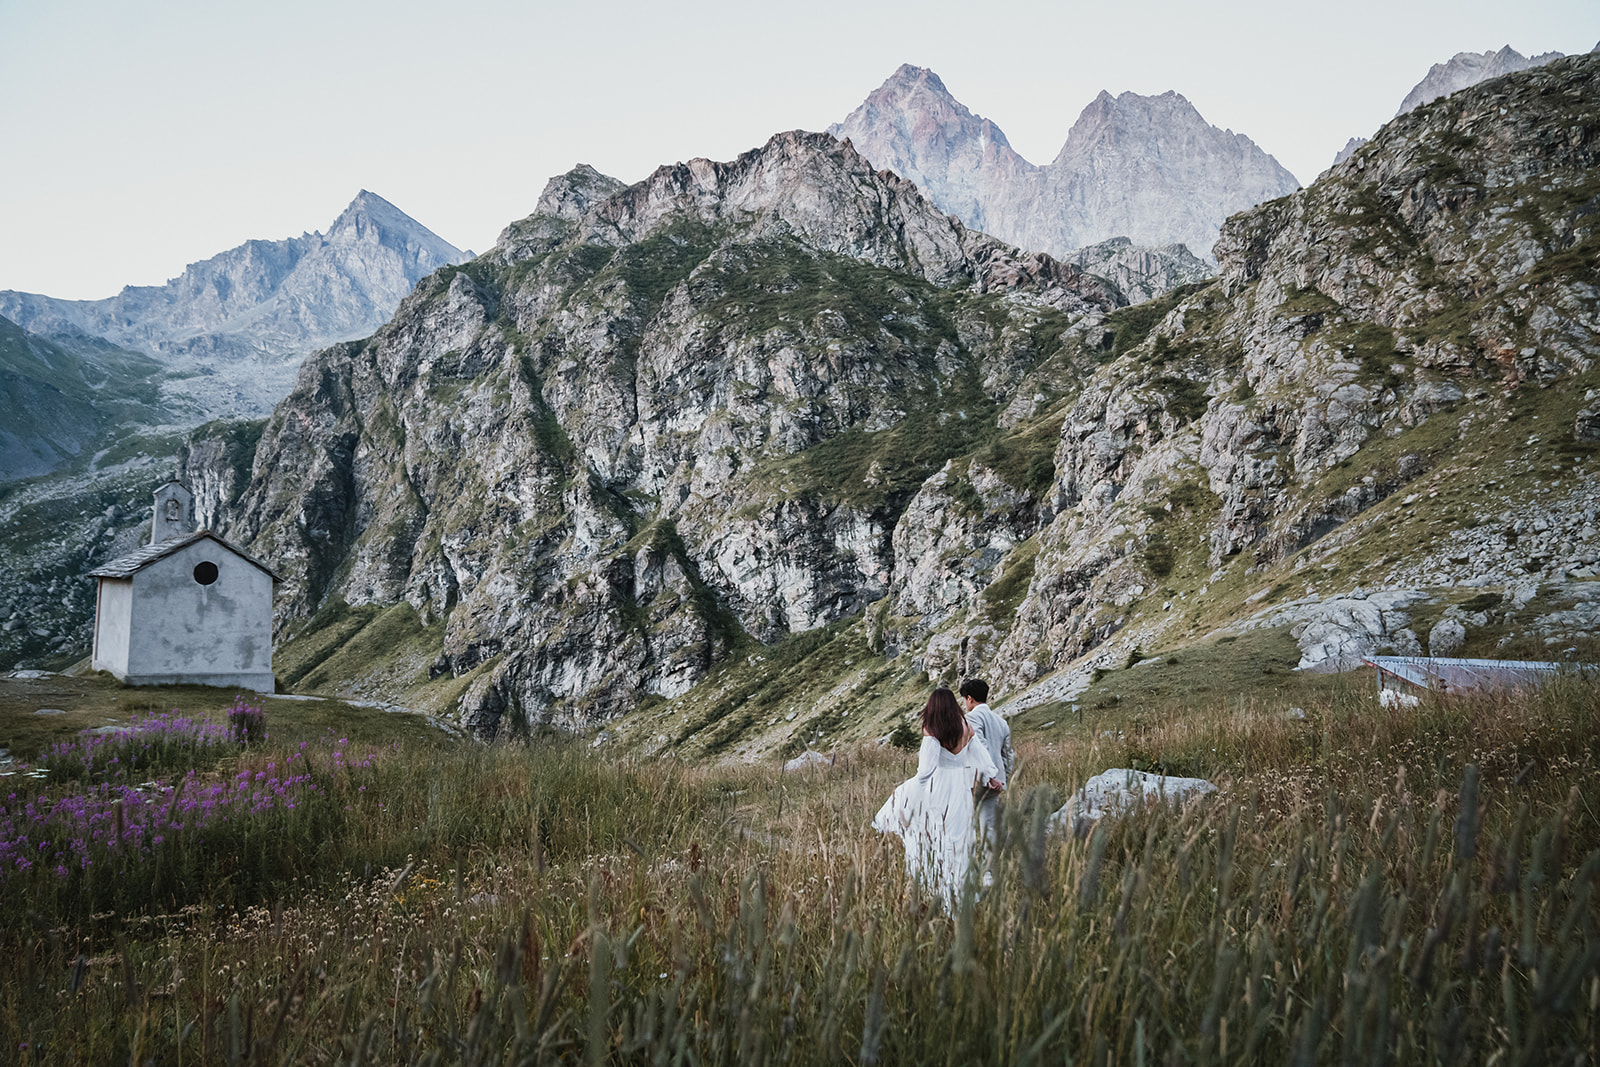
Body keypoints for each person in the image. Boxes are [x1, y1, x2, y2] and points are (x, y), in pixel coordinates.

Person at [872, 687, 999, 908]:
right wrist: (991, 776)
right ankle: (963, 887)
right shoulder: (966, 727)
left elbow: (926, 770)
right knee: (959, 837)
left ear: (933, 707)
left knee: (936, 834)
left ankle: (940, 885)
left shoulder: (932, 729)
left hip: (938, 785)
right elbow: (979, 755)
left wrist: (915, 788)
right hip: (960, 786)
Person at [959, 678, 1014, 846]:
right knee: (989, 826)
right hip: (997, 780)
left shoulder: (971, 718)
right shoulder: (1001, 722)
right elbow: (1007, 755)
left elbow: (979, 748)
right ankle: (991, 869)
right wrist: (1003, 778)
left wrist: (988, 777)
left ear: (969, 699)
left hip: (976, 779)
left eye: (964, 700)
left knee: (964, 824)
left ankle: (967, 865)